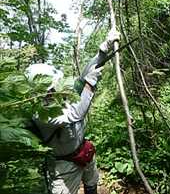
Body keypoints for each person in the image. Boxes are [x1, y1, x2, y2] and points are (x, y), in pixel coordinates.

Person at [25, 28, 120, 194]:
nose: (56, 88)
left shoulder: (59, 95)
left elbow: (83, 76)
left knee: (92, 183)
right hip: (64, 167)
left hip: (84, 152)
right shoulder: (40, 114)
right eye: (52, 87)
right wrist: (90, 85)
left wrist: (103, 49)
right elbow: (75, 114)